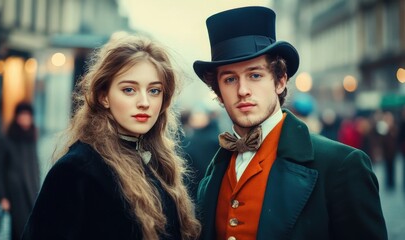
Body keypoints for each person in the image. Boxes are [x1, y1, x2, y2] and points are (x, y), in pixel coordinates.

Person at [193, 6, 387, 240]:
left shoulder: (341, 165)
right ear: (219, 91)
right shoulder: (214, 169)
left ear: (280, 81)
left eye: (255, 75)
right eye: (230, 79)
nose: (243, 90)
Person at [22, 32, 201, 240]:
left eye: (154, 91)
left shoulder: (159, 165)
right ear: (103, 96)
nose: (144, 102)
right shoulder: (76, 170)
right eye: (129, 90)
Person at [0, 102, 40, 240]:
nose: (26, 119)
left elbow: (35, 167)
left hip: (30, 192)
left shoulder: (31, 139)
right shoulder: (6, 140)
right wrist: (2, 197)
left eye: (28, 116)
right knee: (18, 230)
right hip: (14, 195)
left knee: (29, 229)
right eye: (23, 115)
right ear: (17, 117)